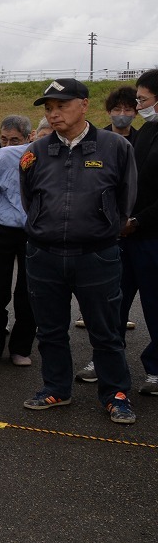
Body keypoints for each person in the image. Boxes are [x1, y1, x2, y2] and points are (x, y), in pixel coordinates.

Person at [19, 78, 136, 424]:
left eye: (62, 106)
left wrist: (102, 228)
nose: (54, 115)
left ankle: (116, 393)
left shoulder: (115, 147)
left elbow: (126, 198)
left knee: (106, 330)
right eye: (49, 109)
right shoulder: (35, 152)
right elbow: (30, 200)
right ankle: (56, 388)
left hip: (97, 255)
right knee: (50, 328)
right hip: (44, 255)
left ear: (84, 105)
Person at [0, 116, 36, 367]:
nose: (8, 143)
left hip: (32, 231)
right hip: (0, 228)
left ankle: (21, 348)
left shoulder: (37, 155)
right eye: (4, 138)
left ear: (28, 137)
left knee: (29, 291)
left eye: (15, 140)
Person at [115, 69, 158, 398]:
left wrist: (138, 221)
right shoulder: (145, 132)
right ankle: (109, 360)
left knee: (155, 306)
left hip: (150, 235)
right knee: (114, 302)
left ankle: (155, 368)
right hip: (128, 234)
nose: (138, 106)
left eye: (142, 100)